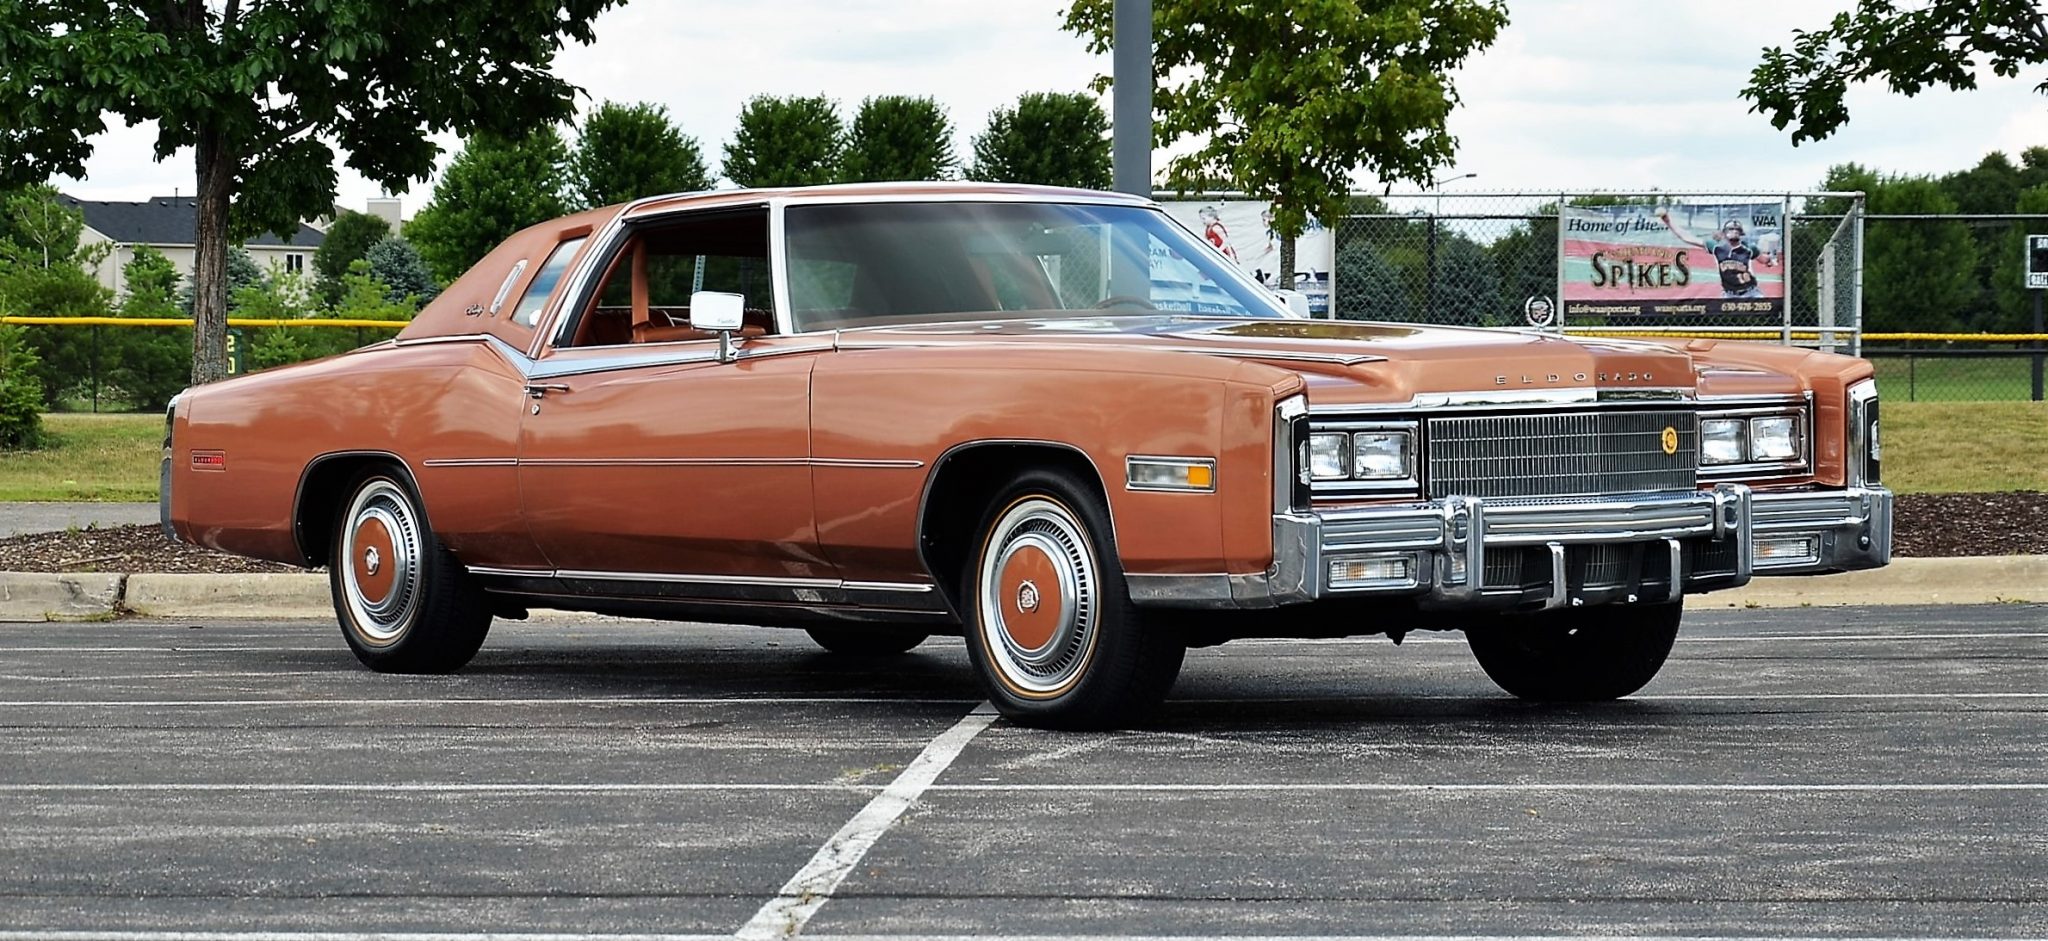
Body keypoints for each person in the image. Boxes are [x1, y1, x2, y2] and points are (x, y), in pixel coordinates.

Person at [1660, 211, 1775, 298]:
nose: (1734, 231)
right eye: (1731, 229)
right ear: (1724, 233)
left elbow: (1764, 259)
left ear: (1741, 233)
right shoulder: (1717, 247)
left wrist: (1770, 260)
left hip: (1751, 293)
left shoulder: (1749, 248)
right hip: (1729, 295)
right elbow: (1687, 237)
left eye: (1737, 230)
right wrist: (1668, 222)